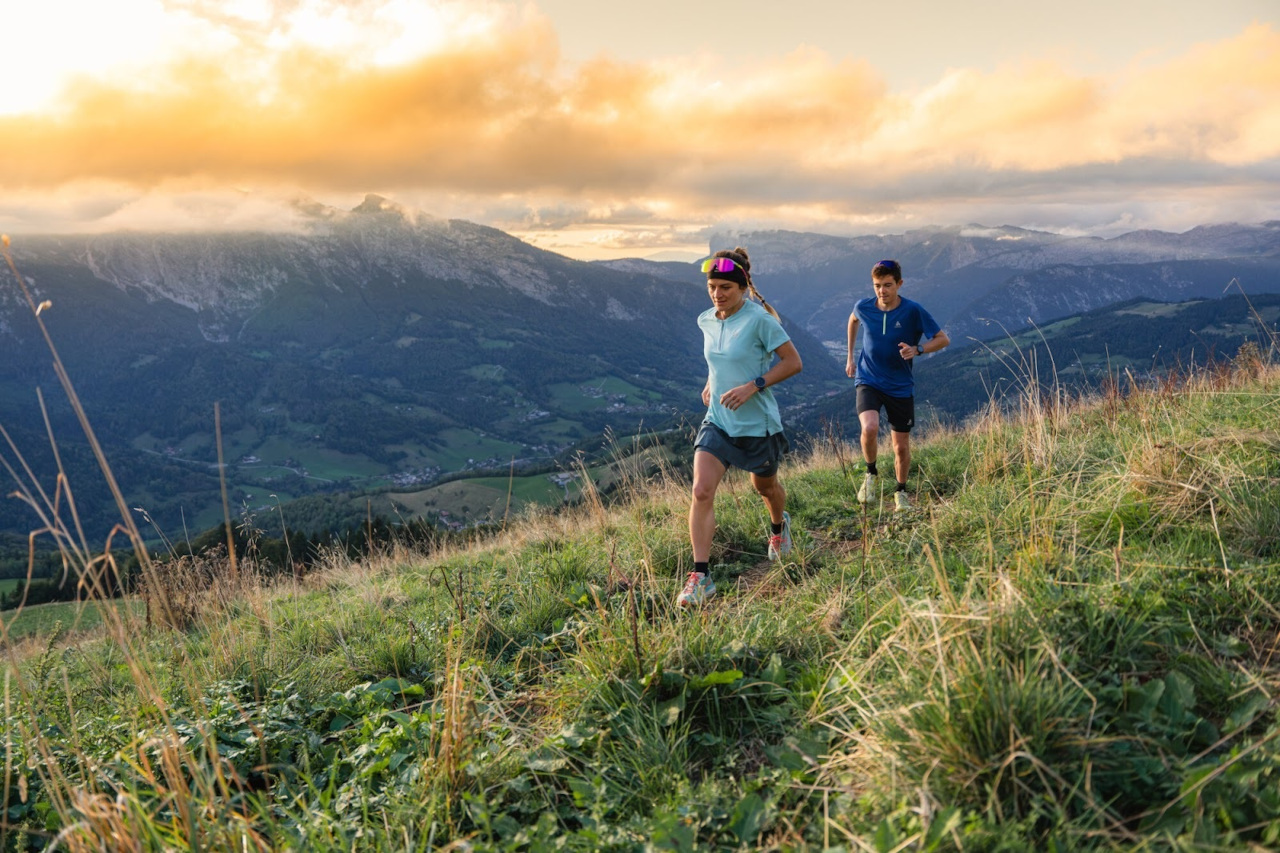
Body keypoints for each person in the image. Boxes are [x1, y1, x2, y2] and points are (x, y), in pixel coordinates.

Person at [679, 247, 803, 608]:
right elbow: (719, 359)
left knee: (765, 488)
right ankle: (700, 577)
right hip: (718, 419)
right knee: (701, 490)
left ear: (744, 287)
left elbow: (793, 362)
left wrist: (754, 385)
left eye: (725, 288)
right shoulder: (706, 319)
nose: (717, 294)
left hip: (757, 425)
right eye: (712, 286)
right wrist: (711, 383)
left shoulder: (760, 320)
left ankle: (779, 527)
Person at [845, 259, 950, 512]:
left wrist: (919, 349)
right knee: (869, 427)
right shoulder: (863, 306)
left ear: (899, 284)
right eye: (877, 286)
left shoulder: (913, 311)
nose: (882, 291)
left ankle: (901, 492)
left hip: (900, 385)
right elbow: (853, 320)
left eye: (888, 285)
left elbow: (943, 339)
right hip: (868, 378)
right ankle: (870, 474)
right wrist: (850, 357)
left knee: (900, 447)